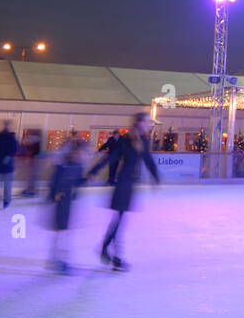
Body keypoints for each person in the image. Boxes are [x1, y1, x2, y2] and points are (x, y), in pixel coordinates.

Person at [96, 112, 159, 272]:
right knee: (119, 220)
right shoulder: (126, 140)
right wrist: (93, 171)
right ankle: (113, 255)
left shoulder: (143, 140)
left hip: (130, 184)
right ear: (140, 123)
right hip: (123, 183)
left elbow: (148, 160)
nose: (148, 124)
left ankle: (108, 249)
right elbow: (111, 157)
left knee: (119, 219)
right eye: (146, 122)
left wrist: (155, 176)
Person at [47, 138, 88, 274]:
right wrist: (55, 194)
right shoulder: (64, 164)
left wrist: (86, 179)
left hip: (69, 201)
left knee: (64, 231)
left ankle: (59, 259)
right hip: (62, 201)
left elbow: (76, 182)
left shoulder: (77, 165)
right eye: (82, 152)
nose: (84, 155)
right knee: (61, 231)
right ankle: (57, 260)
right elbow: (54, 180)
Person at [0, 120, 18, 209]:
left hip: (8, 167)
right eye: (5, 125)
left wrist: (7, 158)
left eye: (7, 126)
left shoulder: (11, 138)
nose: (5, 127)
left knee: (7, 186)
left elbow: (13, 150)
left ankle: (6, 202)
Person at [19, 130, 43, 196]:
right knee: (31, 177)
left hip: (33, 161)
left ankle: (31, 191)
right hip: (33, 161)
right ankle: (30, 190)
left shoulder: (34, 143)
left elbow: (30, 149)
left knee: (31, 177)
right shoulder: (35, 143)